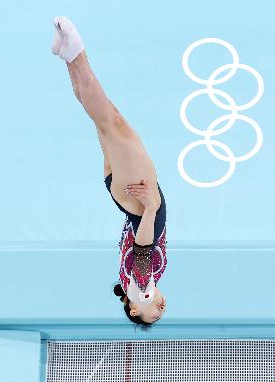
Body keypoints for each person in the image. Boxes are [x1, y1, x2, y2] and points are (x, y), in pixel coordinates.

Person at [51, 16, 168, 329]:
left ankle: (76, 52)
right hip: (127, 199)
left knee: (110, 118)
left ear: (134, 310)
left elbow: (144, 248)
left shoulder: (143, 288)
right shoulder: (133, 283)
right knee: (101, 117)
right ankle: (68, 56)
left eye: (155, 315)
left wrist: (152, 207)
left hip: (140, 201)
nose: (160, 308)